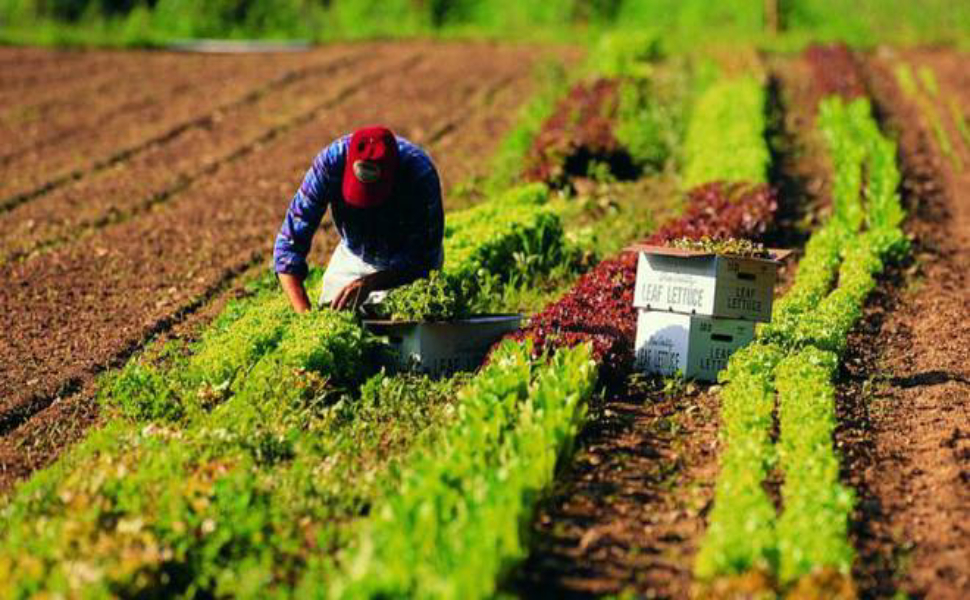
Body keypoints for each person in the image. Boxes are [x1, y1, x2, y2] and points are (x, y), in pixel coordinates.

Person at [273, 126, 444, 313]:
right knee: (333, 312)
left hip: (404, 267)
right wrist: (304, 316)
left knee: (402, 328)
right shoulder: (331, 163)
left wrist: (372, 283)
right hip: (354, 256)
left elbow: (422, 258)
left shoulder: (419, 174)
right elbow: (288, 245)